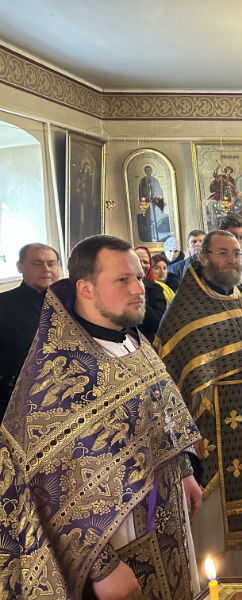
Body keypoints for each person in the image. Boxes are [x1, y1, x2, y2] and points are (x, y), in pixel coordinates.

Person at [0, 235, 201, 599]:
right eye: (122, 280)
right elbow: (49, 487)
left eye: (138, 277)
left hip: (167, 513)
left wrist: (184, 471)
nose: (138, 289)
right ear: (86, 288)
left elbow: (164, 416)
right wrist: (102, 567)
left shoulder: (133, 341)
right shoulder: (55, 375)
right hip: (113, 544)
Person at [155, 230, 242, 578]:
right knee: (214, 495)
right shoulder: (185, 307)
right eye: (223, 253)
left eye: (236, 253)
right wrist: (186, 432)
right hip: (208, 417)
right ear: (203, 258)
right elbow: (173, 377)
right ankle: (216, 573)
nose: (232, 260)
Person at [0, 243, 61, 418]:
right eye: (37, 263)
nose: (46, 269)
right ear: (20, 266)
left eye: (51, 263)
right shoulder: (3, 304)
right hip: (16, 402)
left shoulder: (73, 303)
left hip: (67, 396)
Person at [133, 245, 169, 342]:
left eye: (145, 262)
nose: (141, 265)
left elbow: (157, 324)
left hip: (145, 341)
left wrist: (138, 294)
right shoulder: (119, 287)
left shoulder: (155, 289)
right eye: (137, 261)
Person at [137, 165, 171, 242]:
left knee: (156, 219)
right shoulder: (142, 180)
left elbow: (159, 190)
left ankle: (158, 236)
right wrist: (147, 187)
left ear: (151, 171)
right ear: (145, 171)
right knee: (148, 220)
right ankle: (149, 237)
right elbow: (141, 192)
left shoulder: (155, 180)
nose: (148, 172)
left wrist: (154, 187)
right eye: (147, 170)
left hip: (155, 202)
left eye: (149, 170)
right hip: (146, 203)